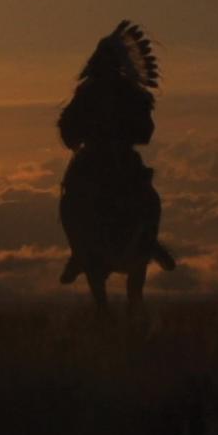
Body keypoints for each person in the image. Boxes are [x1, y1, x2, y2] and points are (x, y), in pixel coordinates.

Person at [57, 20, 172, 283]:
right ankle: (148, 244)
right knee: (146, 198)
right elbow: (146, 132)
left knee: (72, 199)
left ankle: (79, 253)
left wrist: (79, 137)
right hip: (118, 157)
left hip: (96, 158)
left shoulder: (92, 91)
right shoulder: (129, 92)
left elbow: (68, 126)